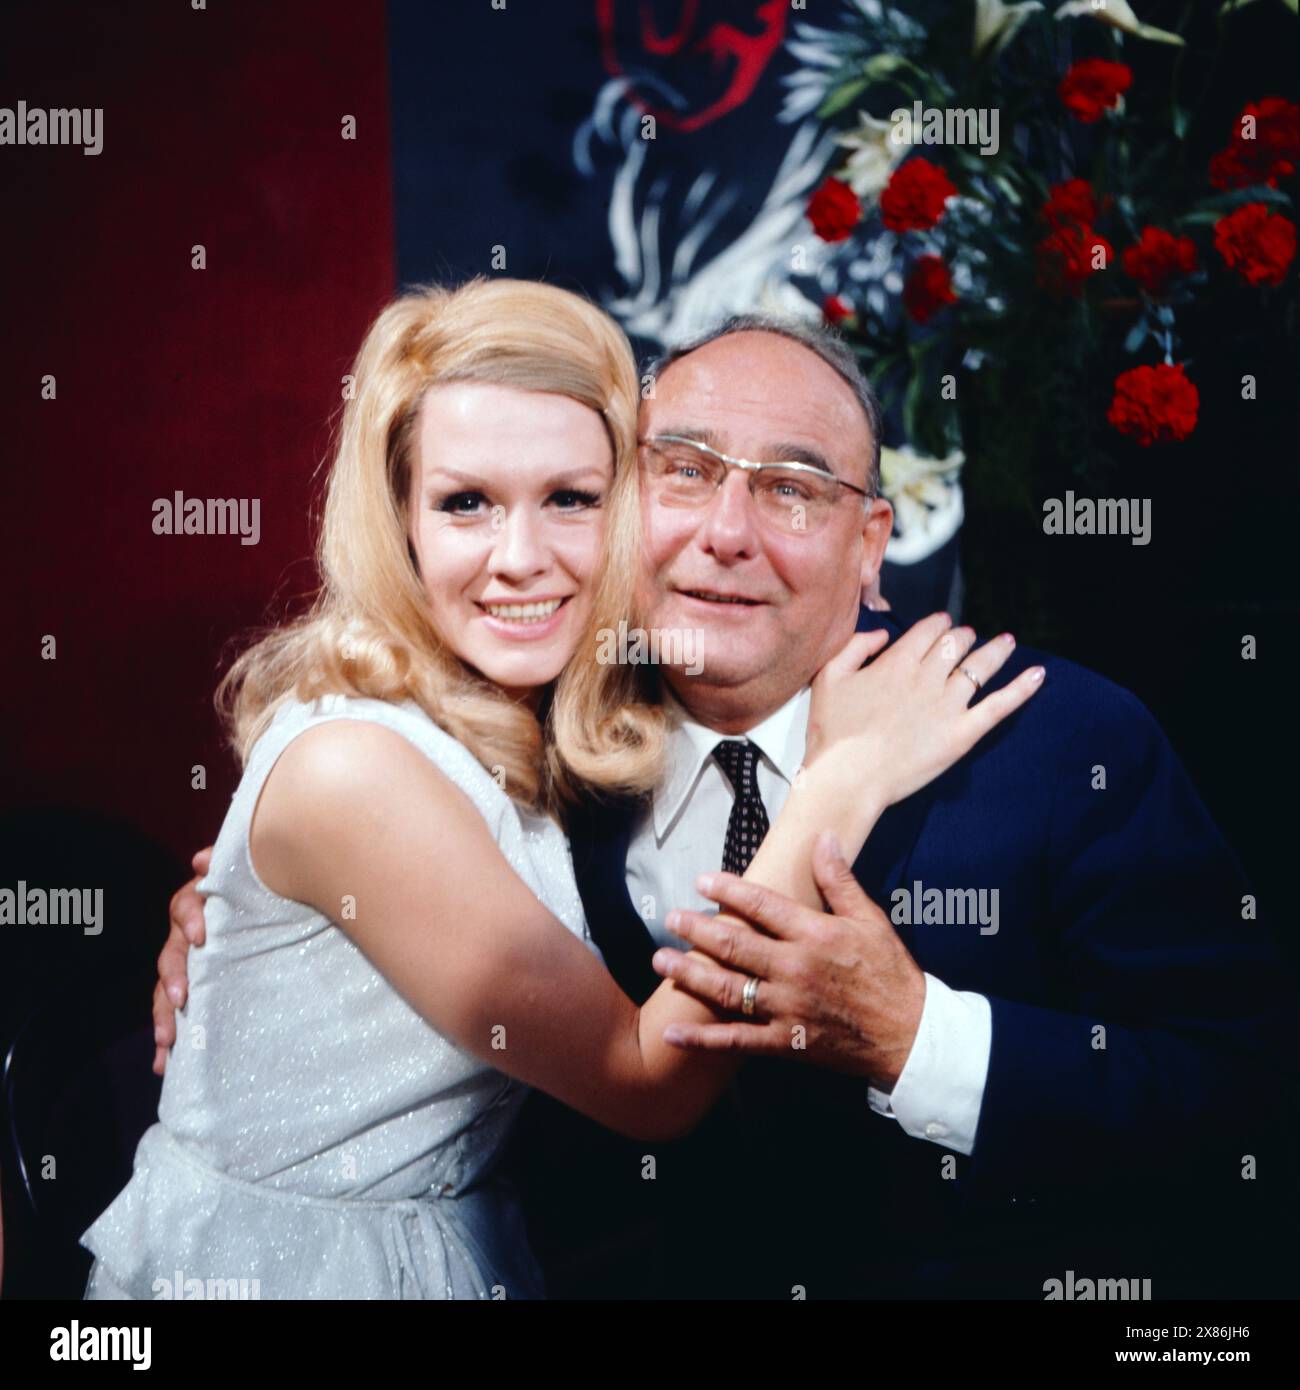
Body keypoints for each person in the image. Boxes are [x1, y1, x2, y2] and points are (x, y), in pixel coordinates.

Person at [158, 310, 1286, 1299]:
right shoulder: (540, 726)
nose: (726, 533)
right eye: (684, 470)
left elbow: (1248, 1099)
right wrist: (232, 917)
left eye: (793, 489)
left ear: (870, 545)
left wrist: (919, 1038)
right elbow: (370, 850)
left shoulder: (1057, 738)